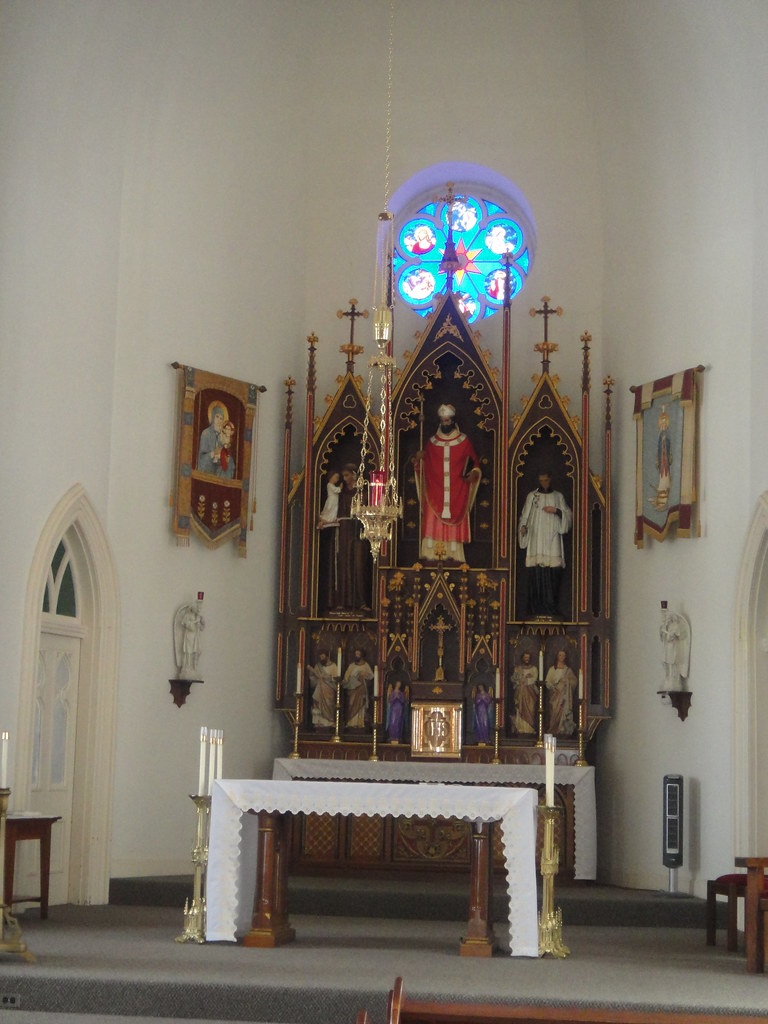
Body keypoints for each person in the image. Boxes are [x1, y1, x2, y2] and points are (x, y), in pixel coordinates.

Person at [413, 404, 482, 562]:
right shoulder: (431, 442)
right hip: (434, 489)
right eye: (442, 421)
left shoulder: (464, 441)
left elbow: (475, 464)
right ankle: (429, 556)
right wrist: (419, 459)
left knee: (454, 518)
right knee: (431, 517)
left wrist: (473, 474)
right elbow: (422, 469)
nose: (445, 424)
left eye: (447, 421)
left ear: (452, 421)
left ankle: (454, 556)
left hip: (457, 491)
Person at [518, 470, 572, 617]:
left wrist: (556, 510)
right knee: (537, 572)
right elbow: (525, 517)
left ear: (551, 479)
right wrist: (523, 529)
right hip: (536, 538)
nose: (544, 483)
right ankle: (535, 607)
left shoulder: (558, 496)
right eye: (541, 481)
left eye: (546, 480)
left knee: (553, 572)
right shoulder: (532, 496)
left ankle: (551, 606)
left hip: (553, 536)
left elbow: (568, 515)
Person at [545, 649, 577, 736]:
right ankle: (553, 729)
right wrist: (553, 687)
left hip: (564, 696)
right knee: (554, 712)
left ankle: (562, 729)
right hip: (555, 694)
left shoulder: (567, 670)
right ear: (557, 656)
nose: (562, 657)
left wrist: (567, 681)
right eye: (560, 655)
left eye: (563, 655)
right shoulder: (552, 669)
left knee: (563, 711)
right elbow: (547, 681)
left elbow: (574, 681)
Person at [660, 605, 690, 690]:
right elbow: (663, 638)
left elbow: (678, 635)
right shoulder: (667, 626)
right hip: (667, 648)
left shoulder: (676, 626)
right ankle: (668, 678)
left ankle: (674, 680)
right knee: (667, 663)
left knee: (673, 664)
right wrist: (664, 632)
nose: (668, 620)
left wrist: (670, 635)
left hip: (673, 648)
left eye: (669, 618)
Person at [343, 648, 373, 728]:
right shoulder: (351, 666)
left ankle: (360, 723)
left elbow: (371, 676)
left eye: (358, 654)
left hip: (362, 688)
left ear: (361, 655)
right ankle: (351, 722)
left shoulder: (366, 665)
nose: (356, 656)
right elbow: (346, 677)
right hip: (353, 688)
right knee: (351, 703)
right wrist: (349, 680)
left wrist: (364, 674)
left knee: (361, 705)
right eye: (355, 654)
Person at [173, 602, 205, 680]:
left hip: (195, 637)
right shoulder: (187, 615)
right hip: (189, 636)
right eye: (194, 608)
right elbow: (185, 623)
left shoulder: (197, 616)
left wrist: (201, 621)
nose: (196, 610)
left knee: (196, 652)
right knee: (188, 652)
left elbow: (201, 628)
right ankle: (187, 667)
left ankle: (194, 668)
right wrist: (194, 622)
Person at [511, 650, 539, 735]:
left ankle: (530, 728)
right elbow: (513, 679)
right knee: (520, 708)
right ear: (522, 658)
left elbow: (535, 679)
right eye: (525, 657)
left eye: (528, 657)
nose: (527, 659)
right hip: (520, 692)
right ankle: (521, 728)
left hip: (530, 692)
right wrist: (518, 678)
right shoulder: (518, 668)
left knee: (531, 708)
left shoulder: (534, 668)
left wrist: (526, 680)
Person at [307, 650, 337, 728]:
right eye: (320, 657)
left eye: (323, 657)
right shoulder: (318, 666)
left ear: (327, 656)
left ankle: (329, 721)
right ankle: (320, 722)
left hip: (329, 690)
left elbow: (337, 679)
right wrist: (312, 672)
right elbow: (313, 678)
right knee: (318, 704)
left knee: (329, 704)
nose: (321, 658)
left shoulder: (333, 666)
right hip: (319, 689)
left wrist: (328, 678)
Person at [197, 405, 225, 475]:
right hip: (206, 470)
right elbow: (201, 459)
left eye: (221, 418)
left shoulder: (222, 436)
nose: (219, 420)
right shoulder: (206, 433)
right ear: (212, 417)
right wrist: (213, 453)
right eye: (217, 417)